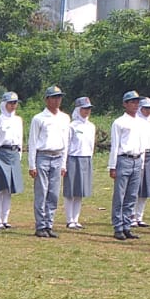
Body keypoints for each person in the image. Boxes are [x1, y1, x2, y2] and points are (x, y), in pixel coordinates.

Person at [28, 85, 70, 238]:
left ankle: (49, 224)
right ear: (47, 100)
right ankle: (40, 225)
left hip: (58, 156)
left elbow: (66, 141)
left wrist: (64, 163)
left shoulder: (65, 118)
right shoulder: (39, 118)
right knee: (41, 192)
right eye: (54, 97)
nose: (57, 100)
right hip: (43, 156)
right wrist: (32, 164)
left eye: (59, 97)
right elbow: (32, 142)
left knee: (53, 193)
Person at [0, 91, 24, 230]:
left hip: (13, 153)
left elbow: (20, 138)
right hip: (0, 153)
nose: (13, 106)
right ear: (4, 104)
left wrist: (19, 155)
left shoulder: (18, 120)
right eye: (10, 103)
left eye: (15, 103)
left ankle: (6, 219)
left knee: (9, 189)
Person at [107, 91, 143, 241]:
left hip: (137, 158)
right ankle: (118, 226)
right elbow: (115, 145)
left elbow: (142, 143)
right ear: (125, 104)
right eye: (132, 102)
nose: (135, 105)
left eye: (136, 102)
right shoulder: (119, 122)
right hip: (124, 158)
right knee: (120, 195)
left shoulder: (141, 122)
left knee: (132, 195)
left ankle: (127, 225)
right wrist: (112, 165)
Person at [62, 96, 95, 230]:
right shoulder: (72, 126)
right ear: (78, 109)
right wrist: (64, 163)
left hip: (86, 158)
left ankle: (76, 218)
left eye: (88, 109)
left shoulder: (91, 126)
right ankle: (69, 219)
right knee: (70, 190)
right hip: (73, 158)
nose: (87, 111)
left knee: (81, 191)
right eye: (84, 109)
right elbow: (67, 145)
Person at [133, 97, 150, 228]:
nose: (149, 111)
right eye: (146, 108)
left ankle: (139, 215)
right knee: (136, 187)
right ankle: (132, 215)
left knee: (146, 188)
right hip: (140, 155)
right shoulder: (137, 123)